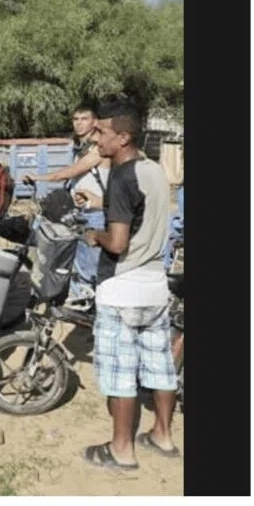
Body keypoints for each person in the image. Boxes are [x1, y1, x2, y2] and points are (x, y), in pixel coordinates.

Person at [81, 102, 178, 471]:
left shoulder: (121, 176)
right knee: (159, 367)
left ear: (123, 137)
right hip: (156, 284)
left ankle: (121, 449)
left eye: (102, 132)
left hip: (122, 286)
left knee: (121, 373)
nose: (96, 137)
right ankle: (163, 437)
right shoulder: (153, 170)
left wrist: (95, 235)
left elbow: (119, 242)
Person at [24, 104, 108, 294]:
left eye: (84, 119)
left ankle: (89, 307)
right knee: (74, 261)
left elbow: (71, 172)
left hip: (96, 214)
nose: (78, 124)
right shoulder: (79, 148)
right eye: (75, 119)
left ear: (95, 122)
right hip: (80, 211)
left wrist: (39, 177)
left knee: (89, 268)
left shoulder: (99, 148)